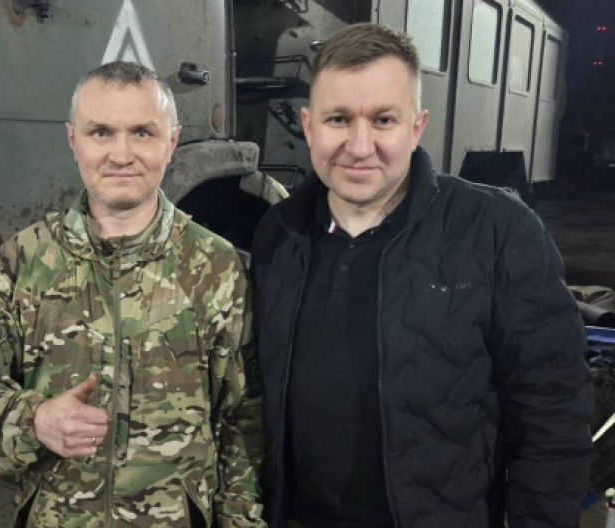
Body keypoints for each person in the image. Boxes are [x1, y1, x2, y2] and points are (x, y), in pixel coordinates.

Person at [250, 23, 593, 528]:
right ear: (308, 125)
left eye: (383, 120)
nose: (359, 145)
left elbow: (553, 408)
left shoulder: (496, 230)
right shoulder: (278, 234)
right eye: (338, 119)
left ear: (416, 127)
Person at [0, 61, 265, 527]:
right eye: (101, 133)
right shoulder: (22, 261)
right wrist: (34, 421)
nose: (121, 154)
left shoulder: (215, 266)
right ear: (73, 140)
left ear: (171, 142)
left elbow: (243, 419)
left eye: (142, 133)